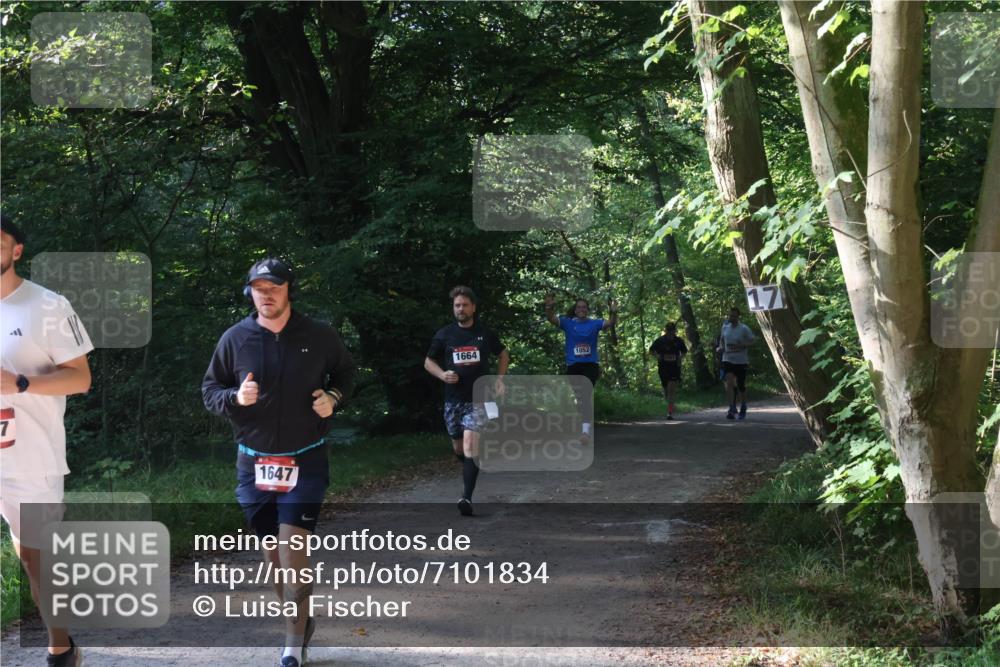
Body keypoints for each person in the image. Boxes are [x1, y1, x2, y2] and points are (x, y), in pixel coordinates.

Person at [202, 257, 355, 667]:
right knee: (273, 556)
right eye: (258, 288)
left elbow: (346, 374)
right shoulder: (235, 338)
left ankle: (291, 645)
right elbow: (210, 388)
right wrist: (234, 398)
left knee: (292, 550)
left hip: (305, 459)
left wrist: (333, 399)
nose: (265, 295)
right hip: (254, 464)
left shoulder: (319, 336)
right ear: (249, 291)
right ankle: (300, 623)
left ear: (289, 289)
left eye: (273, 287)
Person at [0, 214, 93, 667]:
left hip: (28, 459)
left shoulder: (48, 305)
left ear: (17, 249)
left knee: (37, 561)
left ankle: (62, 647)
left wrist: (16, 384)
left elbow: (79, 379)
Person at [424, 286, 508, 517]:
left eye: (464, 305)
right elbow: (428, 361)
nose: (460, 309)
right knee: (460, 448)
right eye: (457, 305)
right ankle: (470, 463)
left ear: (473, 307)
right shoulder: (444, 334)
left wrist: (500, 380)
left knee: (471, 445)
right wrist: (442, 375)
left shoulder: (484, 333)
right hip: (453, 401)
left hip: (479, 399)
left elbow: (503, 353)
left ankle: (466, 497)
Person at [543, 293, 618, 438]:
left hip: (590, 365)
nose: (582, 309)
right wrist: (548, 306)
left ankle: (585, 432)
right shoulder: (568, 323)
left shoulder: (595, 323)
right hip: (573, 367)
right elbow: (551, 318)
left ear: (587, 309)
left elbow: (611, 323)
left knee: (585, 393)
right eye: (579, 307)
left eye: (584, 307)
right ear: (575, 310)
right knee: (581, 398)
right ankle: (585, 423)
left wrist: (614, 311)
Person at [716, 307, 756, 420]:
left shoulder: (744, 328)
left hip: (741, 360)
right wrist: (720, 348)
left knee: (741, 385)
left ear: (738, 317)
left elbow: (752, 340)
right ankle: (732, 408)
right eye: (730, 315)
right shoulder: (725, 327)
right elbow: (722, 342)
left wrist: (743, 345)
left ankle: (743, 406)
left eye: (734, 316)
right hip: (727, 358)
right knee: (729, 382)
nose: (731, 317)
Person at [649, 322, 688, 420]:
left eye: (672, 331)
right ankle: (670, 405)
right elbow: (651, 350)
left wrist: (680, 358)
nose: (671, 333)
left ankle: (669, 412)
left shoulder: (679, 341)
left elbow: (684, 351)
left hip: (675, 367)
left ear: (675, 331)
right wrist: (657, 356)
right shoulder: (660, 341)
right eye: (669, 331)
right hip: (663, 367)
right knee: (666, 390)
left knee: (671, 390)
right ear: (666, 331)